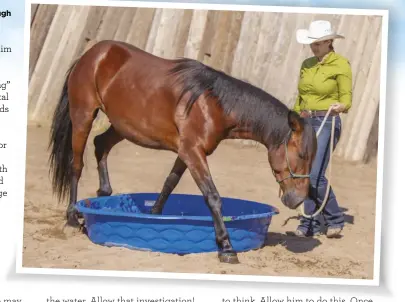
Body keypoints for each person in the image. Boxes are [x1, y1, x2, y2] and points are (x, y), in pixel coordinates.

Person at [292, 20, 353, 238]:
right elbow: (301, 97)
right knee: (304, 173)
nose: (313, 47)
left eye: (317, 43)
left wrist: (342, 106)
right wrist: (294, 117)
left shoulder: (341, 65)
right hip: (305, 122)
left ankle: (335, 218)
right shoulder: (307, 64)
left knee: (315, 174)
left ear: (329, 42)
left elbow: (346, 97)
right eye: (312, 43)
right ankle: (311, 224)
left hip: (327, 121)